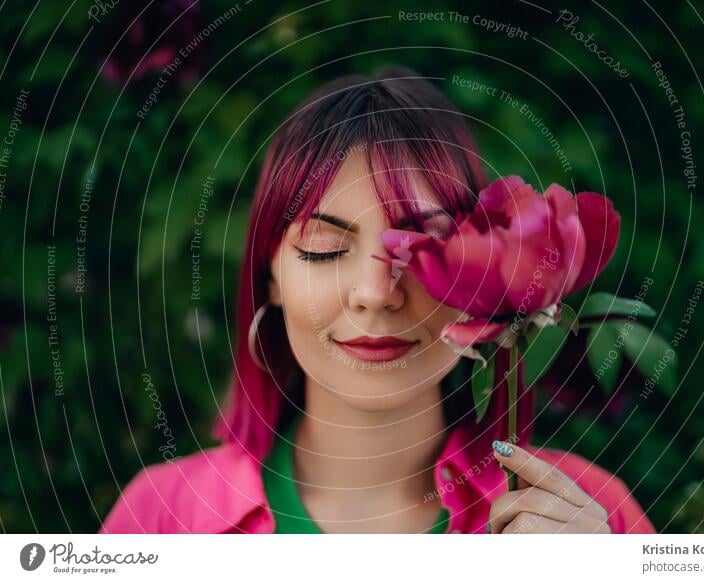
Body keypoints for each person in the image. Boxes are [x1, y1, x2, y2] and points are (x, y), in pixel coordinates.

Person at [100, 66, 656, 534]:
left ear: (487, 268)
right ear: (270, 276)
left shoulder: (588, 514)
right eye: (322, 250)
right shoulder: (159, 515)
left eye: (421, 248)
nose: (375, 295)